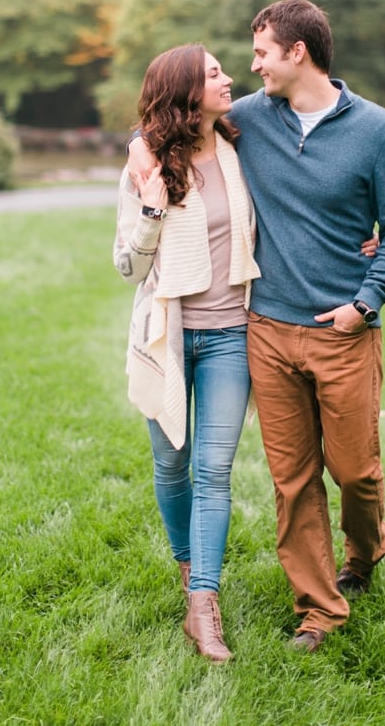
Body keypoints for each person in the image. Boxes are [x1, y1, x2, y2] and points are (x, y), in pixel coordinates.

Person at [128, 0, 385, 653]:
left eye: (260, 53)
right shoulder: (248, 119)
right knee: (291, 480)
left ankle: (365, 550)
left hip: (344, 330)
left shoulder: (377, 131)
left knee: (355, 472)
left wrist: (364, 300)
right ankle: (318, 610)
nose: (249, 66)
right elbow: (163, 122)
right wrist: (138, 155)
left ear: (297, 53)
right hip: (263, 329)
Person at [113, 43, 261, 663]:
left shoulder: (239, 145)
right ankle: (186, 565)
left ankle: (203, 604)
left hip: (231, 334)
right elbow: (128, 265)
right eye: (215, 73)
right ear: (184, 93)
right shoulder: (147, 161)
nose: (230, 79)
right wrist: (151, 202)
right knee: (171, 467)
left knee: (213, 471)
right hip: (167, 337)